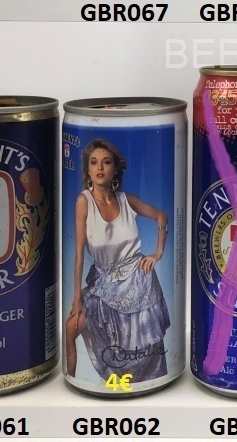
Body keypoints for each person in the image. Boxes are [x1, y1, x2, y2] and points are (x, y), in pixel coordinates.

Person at [66, 139, 170, 381]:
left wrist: (158, 253)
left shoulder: (126, 199)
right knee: (71, 328)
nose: (100, 167)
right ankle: (71, 382)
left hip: (139, 283)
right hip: (104, 285)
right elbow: (79, 254)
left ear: (114, 169)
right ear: (88, 169)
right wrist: (77, 298)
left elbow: (161, 215)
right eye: (94, 162)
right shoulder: (84, 201)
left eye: (106, 162)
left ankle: (152, 385)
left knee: (147, 349)